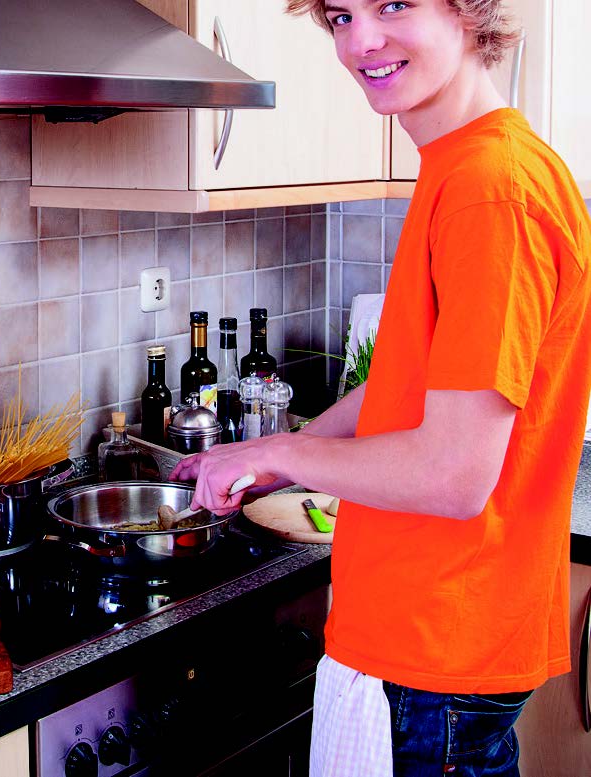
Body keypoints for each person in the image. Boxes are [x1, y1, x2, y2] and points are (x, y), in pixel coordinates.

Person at [171, 0, 591, 775]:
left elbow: (453, 473)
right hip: (433, 633)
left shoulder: (489, 191)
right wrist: (280, 453)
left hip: (434, 646)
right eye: (339, 15)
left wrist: (286, 449)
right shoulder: (467, 163)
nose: (361, 40)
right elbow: (417, 379)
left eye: (393, 4)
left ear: (470, 11)